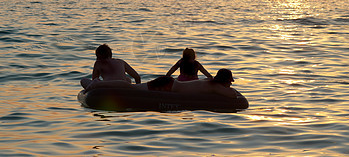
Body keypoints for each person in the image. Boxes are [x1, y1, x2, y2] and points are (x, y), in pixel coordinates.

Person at [84, 69, 237, 98]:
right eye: (230, 81)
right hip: (168, 86)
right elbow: (233, 95)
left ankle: (100, 84)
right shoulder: (215, 86)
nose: (230, 84)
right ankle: (98, 84)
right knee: (131, 88)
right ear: (225, 80)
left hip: (170, 83)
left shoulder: (210, 82)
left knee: (133, 87)